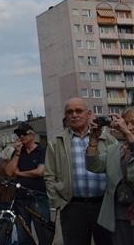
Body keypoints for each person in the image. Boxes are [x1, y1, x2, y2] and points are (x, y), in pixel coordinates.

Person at [45, 97, 116, 245]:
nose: (74, 115)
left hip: (104, 206)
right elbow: (49, 175)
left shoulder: (107, 139)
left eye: (78, 111)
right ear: (66, 116)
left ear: (89, 114)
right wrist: (59, 203)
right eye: (70, 112)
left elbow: (116, 169)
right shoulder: (56, 143)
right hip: (73, 207)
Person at [87, 108, 134, 244]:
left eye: (133, 123)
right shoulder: (115, 149)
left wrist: (127, 133)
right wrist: (93, 140)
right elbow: (93, 166)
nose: (129, 127)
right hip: (119, 215)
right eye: (126, 123)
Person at [5, 122, 51, 245]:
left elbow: (40, 172)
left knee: (43, 233)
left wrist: (19, 173)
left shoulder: (42, 150)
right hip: (21, 197)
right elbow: (9, 172)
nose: (21, 137)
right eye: (19, 135)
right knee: (23, 234)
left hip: (38, 196)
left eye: (23, 134)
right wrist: (17, 152)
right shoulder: (18, 153)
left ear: (32, 135)